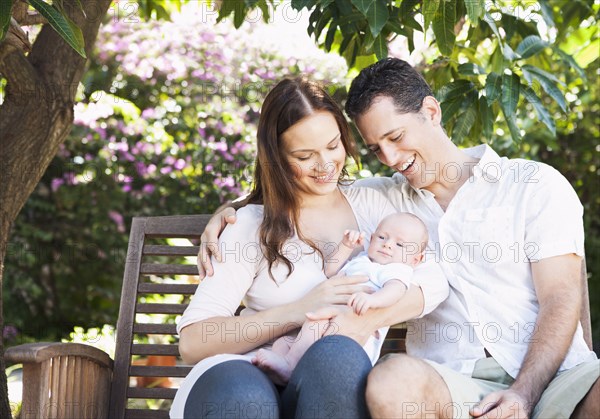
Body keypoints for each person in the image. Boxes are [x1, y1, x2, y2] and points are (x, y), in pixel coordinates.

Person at [199, 58, 599, 418]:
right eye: (376, 148)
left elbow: (561, 298)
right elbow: (301, 189)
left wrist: (522, 395)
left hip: (551, 375)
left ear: (431, 111)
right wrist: (232, 210)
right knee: (392, 383)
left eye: (395, 137)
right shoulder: (385, 200)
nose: (390, 158)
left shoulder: (531, 184)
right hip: (450, 383)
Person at [170, 77, 449, 418]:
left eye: (333, 146)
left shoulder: (373, 207)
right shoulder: (250, 224)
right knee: (245, 398)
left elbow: (433, 281)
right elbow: (194, 341)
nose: (325, 165)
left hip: (326, 386)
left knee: (337, 358)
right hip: (242, 376)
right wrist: (299, 310)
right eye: (305, 155)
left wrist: (364, 320)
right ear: (277, 158)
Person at [252, 212, 429, 386]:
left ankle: (290, 367)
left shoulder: (397, 269)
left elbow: (395, 291)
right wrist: (346, 246)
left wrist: (373, 301)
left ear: (416, 259)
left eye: (400, 244)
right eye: (382, 237)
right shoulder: (362, 260)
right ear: (372, 238)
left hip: (351, 336)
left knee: (316, 321)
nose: (388, 245)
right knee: (283, 343)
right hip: (324, 324)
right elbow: (330, 271)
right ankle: (285, 375)